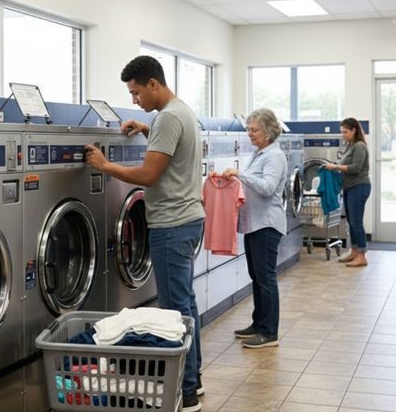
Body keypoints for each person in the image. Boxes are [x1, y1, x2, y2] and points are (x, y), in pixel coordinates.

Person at [84, 55, 205, 412]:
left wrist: (105, 166)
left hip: (171, 224)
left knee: (174, 312)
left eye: (136, 93)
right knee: (187, 307)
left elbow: (149, 175)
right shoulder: (180, 113)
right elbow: (173, 146)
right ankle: (192, 381)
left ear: (153, 84)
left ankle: (186, 393)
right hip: (188, 219)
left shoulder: (167, 117)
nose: (135, 100)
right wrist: (145, 128)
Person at [217, 108, 287, 349]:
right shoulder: (260, 153)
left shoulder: (274, 156)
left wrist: (241, 174)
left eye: (254, 129)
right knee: (257, 277)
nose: (250, 134)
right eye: (248, 129)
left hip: (267, 225)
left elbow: (267, 187)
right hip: (254, 225)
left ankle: (269, 333)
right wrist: (233, 179)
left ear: (268, 130)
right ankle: (258, 324)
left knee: (266, 279)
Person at [324, 117, 370, 267]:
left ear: (353, 130)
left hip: (359, 187)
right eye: (342, 132)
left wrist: (335, 167)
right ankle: (354, 251)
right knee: (351, 222)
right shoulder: (350, 145)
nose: (343, 135)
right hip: (350, 188)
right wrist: (334, 165)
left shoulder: (360, 146)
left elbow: (355, 168)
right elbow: (346, 164)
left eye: (345, 132)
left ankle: (362, 255)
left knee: (356, 222)